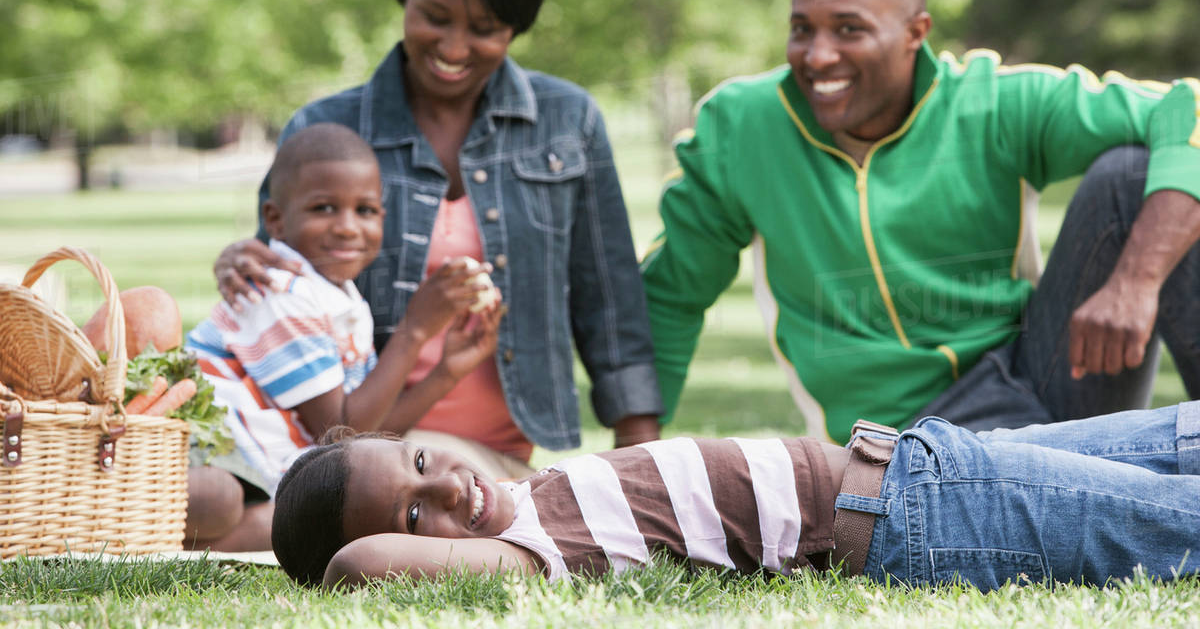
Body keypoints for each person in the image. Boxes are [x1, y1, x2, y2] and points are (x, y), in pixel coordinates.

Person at [640, 0, 1200, 444]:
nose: (818, 56)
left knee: (1130, 175)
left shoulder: (990, 103)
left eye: (849, 29)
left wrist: (1136, 280)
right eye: (801, 29)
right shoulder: (743, 128)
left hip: (1043, 384)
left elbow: (1187, 108)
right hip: (893, 444)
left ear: (916, 33)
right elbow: (669, 294)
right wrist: (631, 463)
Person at [210, 0, 662, 475]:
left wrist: (641, 472)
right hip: (362, 457)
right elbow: (282, 305)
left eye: (485, 29)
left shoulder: (568, 121)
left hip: (502, 462)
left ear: (515, 26)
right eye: (435, 18)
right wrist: (239, 265)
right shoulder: (324, 132)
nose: (453, 48)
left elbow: (612, 305)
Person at [271, 401, 1200, 592]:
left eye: (424, 463)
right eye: (413, 515)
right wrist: (351, 543)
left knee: (1181, 436)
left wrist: (401, 467)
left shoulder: (541, 488)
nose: (444, 491)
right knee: (1175, 523)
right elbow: (356, 562)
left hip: (923, 458)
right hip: (922, 517)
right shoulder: (534, 552)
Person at [184, 123, 504, 550]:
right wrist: (414, 331)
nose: (348, 227)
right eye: (324, 209)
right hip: (206, 454)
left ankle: (209, 539)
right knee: (234, 505)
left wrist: (445, 373)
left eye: (365, 210)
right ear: (275, 220)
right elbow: (340, 433)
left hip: (253, 466)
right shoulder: (280, 293)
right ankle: (159, 534)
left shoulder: (338, 295)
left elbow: (368, 439)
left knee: (332, 522)